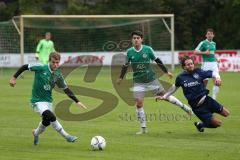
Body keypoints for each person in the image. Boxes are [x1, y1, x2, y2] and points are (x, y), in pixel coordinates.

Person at [117, 30, 193, 134]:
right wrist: (121, 77)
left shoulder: (148, 49)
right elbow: (125, 65)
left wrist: (167, 72)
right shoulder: (129, 52)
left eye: (138, 38)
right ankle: (143, 128)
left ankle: (185, 108)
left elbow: (157, 61)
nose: (136, 40)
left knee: (165, 96)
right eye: (134, 38)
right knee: (139, 104)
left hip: (151, 80)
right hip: (138, 81)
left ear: (141, 39)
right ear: (132, 40)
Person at [10, 52, 87, 145]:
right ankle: (67, 136)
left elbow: (66, 89)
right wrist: (14, 78)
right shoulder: (41, 67)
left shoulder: (58, 75)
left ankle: (35, 133)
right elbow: (25, 66)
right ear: (49, 61)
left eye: (57, 63)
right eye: (53, 62)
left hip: (48, 102)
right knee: (51, 116)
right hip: (37, 101)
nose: (55, 65)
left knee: (46, 122)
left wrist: (77, 101)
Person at [156, 56, 230, 132]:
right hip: (198, 107)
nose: (191, 65)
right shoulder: (181, 77)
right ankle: (200, 124)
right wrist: (165, 96)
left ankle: (200, 124)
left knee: (226, 113)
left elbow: (213, 73)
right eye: (188, 64)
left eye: (191, 63)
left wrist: (218, 78)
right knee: (217, 124)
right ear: (184, 67)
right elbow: (174, 87)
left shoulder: (199, 72)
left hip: (207, 100)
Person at [193, 28, 220, 100]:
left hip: (214, 64)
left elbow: (212, 53)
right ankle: (201, 97)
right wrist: (204, 53)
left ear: (213, 35)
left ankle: (214, 99)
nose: (210, 35)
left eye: (211, 34)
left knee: (217, 81)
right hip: (206, 64)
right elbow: (195, 52)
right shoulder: (203, 43)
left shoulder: (214, 43)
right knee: (204, 82)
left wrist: (216, 58)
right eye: (208, 34)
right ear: (206, 35)